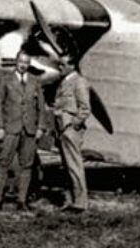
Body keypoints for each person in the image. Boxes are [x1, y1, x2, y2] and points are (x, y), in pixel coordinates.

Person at [0, 50, 49, 212]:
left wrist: (40, 127)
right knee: (2, 162)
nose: (23, 65)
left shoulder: (35, 81)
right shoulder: (5, 80)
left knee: (27, 165)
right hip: (11, 127)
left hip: (29, 129)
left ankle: (21, 201)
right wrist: (0, 127)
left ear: (29, 64)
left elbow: (41, 107)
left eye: (26, 62)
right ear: (16, 62)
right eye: (21, 62)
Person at [53, 54, 90, 212]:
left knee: (75, 166)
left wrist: (73, 125)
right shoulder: (65, 82)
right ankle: (71, 200)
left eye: (62, 65)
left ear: (72, 66)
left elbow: (85, 108)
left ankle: (80, 203)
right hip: (62, 129)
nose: (59, 67)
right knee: (68, 166)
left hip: (70, 130)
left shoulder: (78, 82)